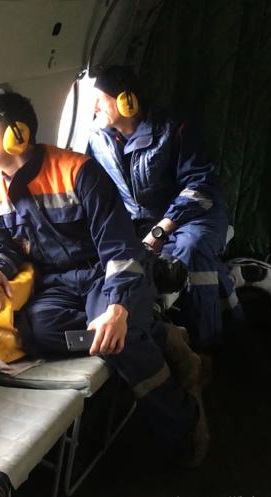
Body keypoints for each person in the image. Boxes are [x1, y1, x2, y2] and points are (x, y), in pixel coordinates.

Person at [0, 90, 208, 465]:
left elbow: (120, 250)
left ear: (17, 135)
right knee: (39, 333)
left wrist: (118, 308)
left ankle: (183, 423)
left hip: (108, 272)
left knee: (118, 339)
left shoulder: (78, 172)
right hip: (57, 282)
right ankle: (160, 334)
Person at [86, 65, 238, 348]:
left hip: (195, 216)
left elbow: (201, 186)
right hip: (140, 222)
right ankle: (161, 336)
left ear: (127, 101)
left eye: (99, 99)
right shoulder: (96, 138)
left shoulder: (173, 129)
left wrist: (160, 231)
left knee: (191, 250)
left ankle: (208, 344)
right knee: (117, 259)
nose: (93, 107)